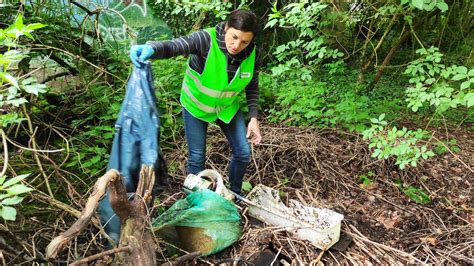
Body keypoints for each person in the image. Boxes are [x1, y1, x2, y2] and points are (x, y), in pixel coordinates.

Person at [130, 9, 262, 195]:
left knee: (243, 153)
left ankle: (234, 195)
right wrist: (152, 49)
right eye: (233, 37)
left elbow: (252, 86)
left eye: (244, 41)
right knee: (197, 158)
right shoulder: (205, 40)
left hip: (226, 108)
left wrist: (254, 118)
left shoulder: (253, 54)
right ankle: (193, 202)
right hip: (196, 106)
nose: (236, 45)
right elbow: (175, 46)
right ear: (226, 28)